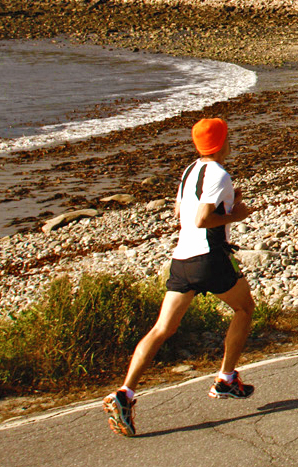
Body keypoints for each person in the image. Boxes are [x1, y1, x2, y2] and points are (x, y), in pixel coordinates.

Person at [103, 118, 258, 438]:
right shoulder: (219, 174)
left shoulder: (190, 171)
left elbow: (180, 213)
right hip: (210, 259)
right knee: (245, 309)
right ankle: (226, 379)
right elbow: (203, 219)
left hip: (182, 260)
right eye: (229, 136)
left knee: (162, 328)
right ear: (221, 143)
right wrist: (236, 214)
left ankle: (124, 394)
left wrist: (228, 200)